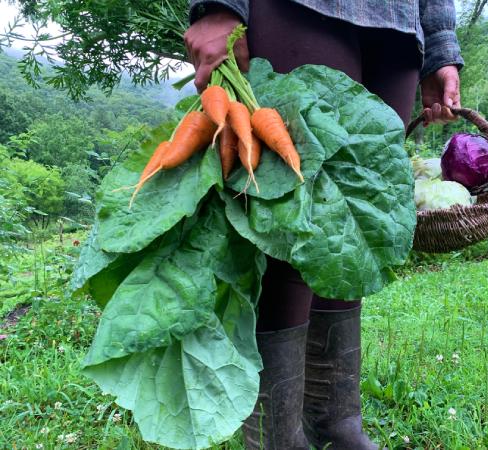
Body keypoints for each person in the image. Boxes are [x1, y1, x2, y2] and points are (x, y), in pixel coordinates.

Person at [184, 1, 463, 449]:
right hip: (301, 7)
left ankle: (333, 423)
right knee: (287, 217)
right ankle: (277, 439)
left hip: (397, 24)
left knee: (352, 225)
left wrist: (440, 46)